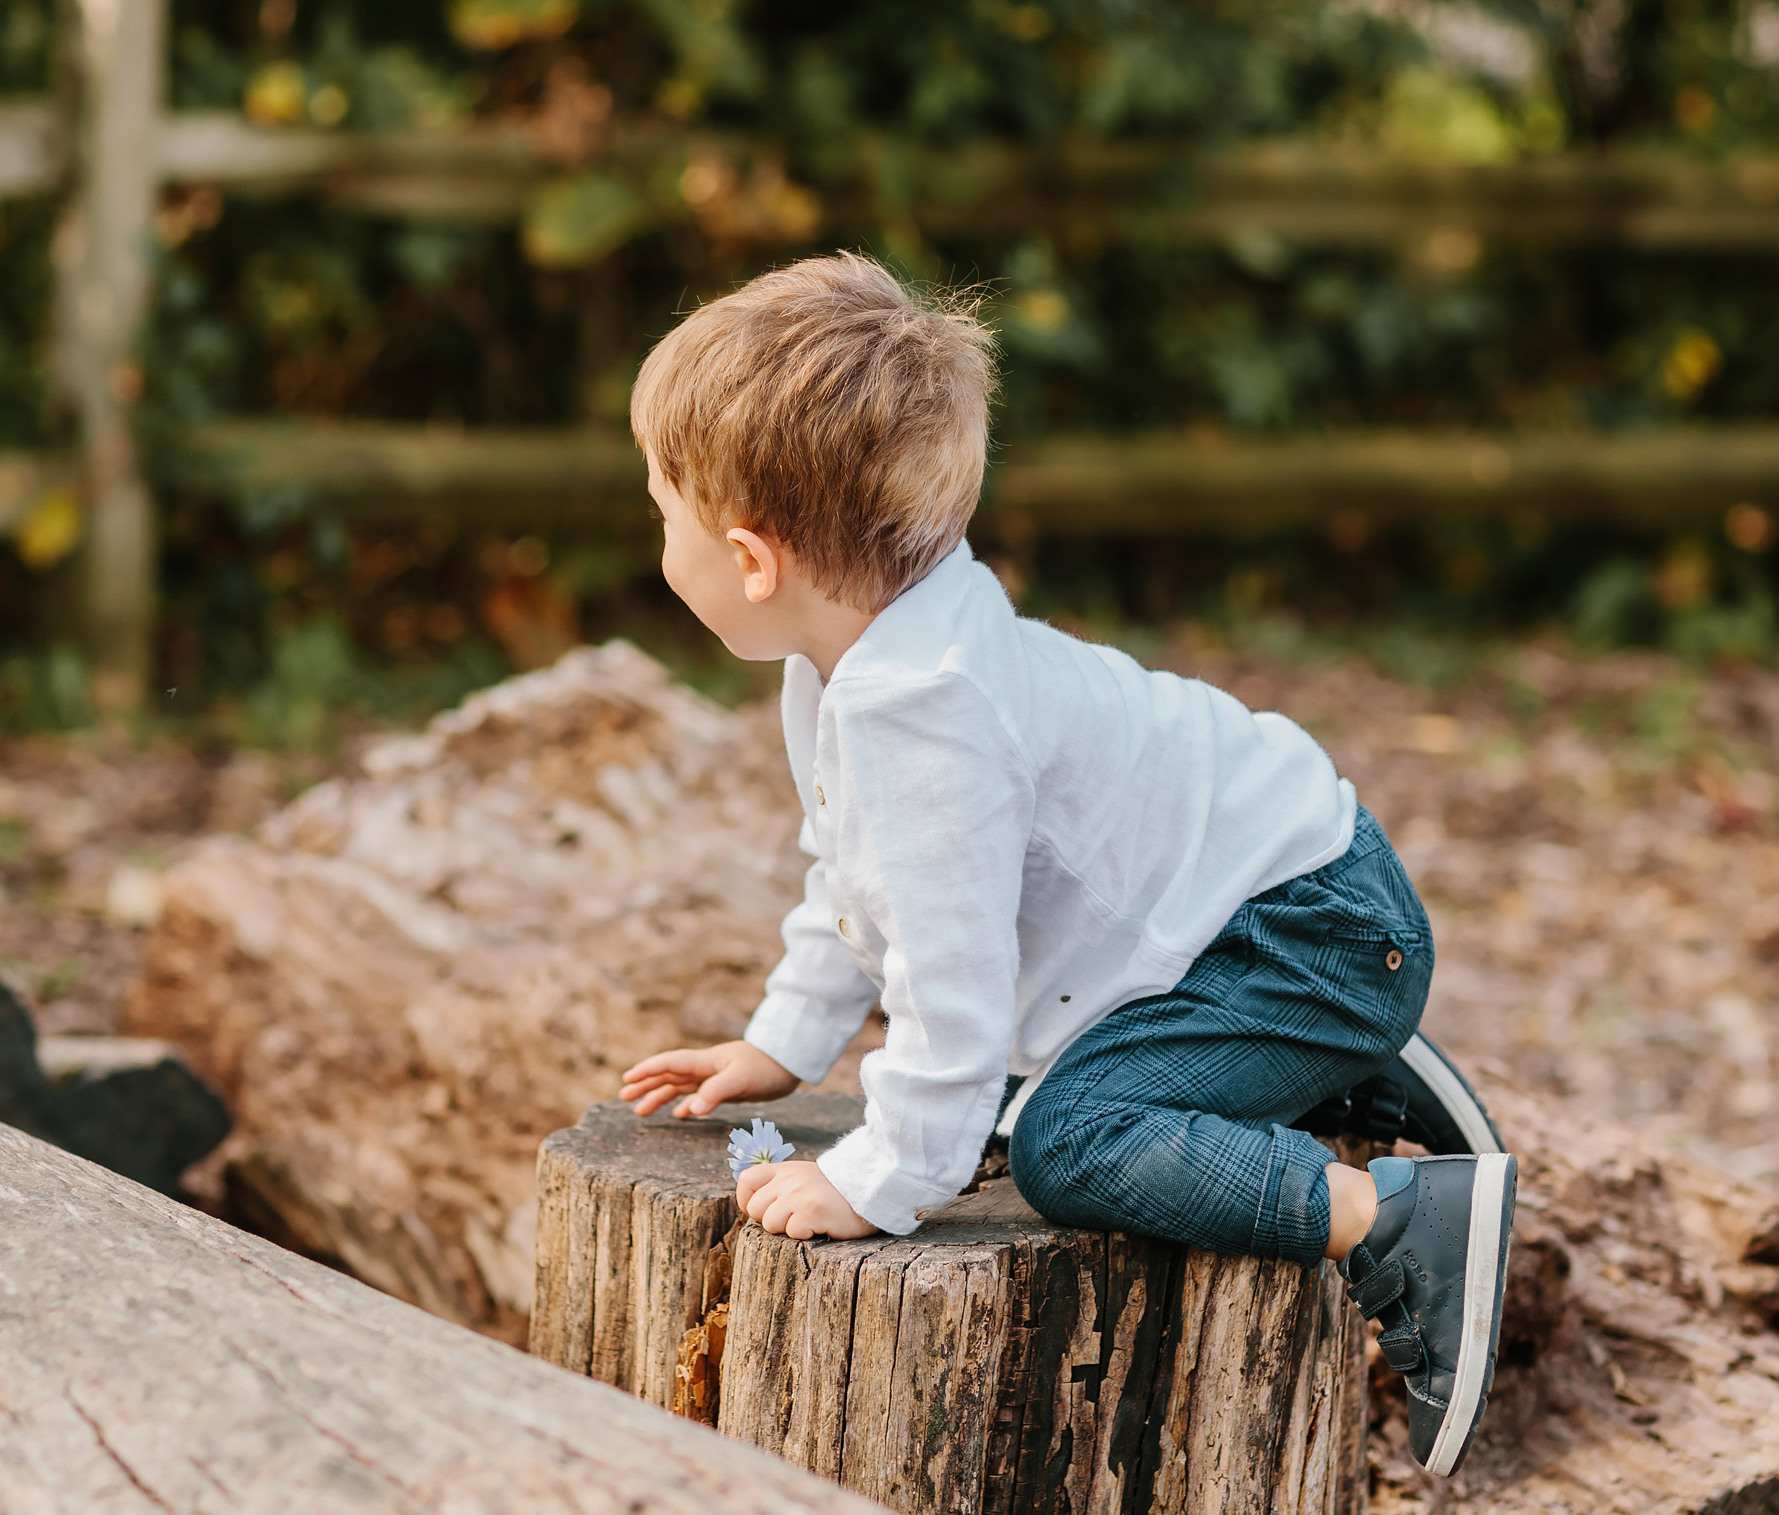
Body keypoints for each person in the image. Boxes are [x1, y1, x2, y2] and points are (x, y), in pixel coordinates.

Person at [616, 253, 1516, 1477]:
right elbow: (852, 879)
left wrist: (884, 1175)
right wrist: (785, 1045)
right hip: (1260, 910)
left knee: (1065, 1142)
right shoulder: (855, 657)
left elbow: (950, 974)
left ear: (752, 561)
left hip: (1306, 932)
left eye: (661, 512)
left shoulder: (930, 715)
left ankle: (1396, 1216)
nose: (656, 541)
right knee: (1014, 1097)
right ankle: (1315, 1055)